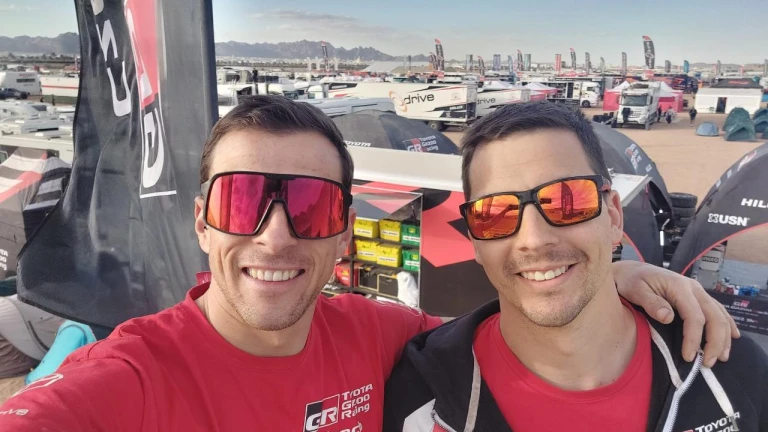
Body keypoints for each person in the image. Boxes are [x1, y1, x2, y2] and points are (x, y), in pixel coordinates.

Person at [0, 96, 738, 431]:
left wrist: (610, 274)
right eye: (243, 200)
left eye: (311, 206)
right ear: (201, 222)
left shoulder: (379, 336)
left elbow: (518, 324)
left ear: (345, 235)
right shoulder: (131, 377)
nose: (275, 236)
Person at [383, 101, 767, 432]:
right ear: (475, 241)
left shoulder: (730, 369)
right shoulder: (419, 393)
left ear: (613, 216)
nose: (534, 239)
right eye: (495, 213)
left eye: (568, 200)